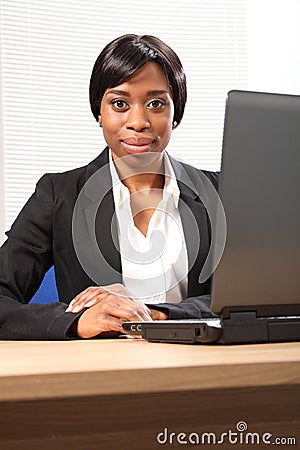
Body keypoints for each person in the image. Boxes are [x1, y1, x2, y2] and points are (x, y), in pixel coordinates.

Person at [0, 34, 219, 340]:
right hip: (99, 371)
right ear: (99, 112)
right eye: (120, 103)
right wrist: (77, 321)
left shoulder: (220, 193)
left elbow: (251, 297)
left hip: (204, 367)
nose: (138, 121)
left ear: (175, 112)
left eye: (156, 103)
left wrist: (159, 314)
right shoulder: (58, 195)